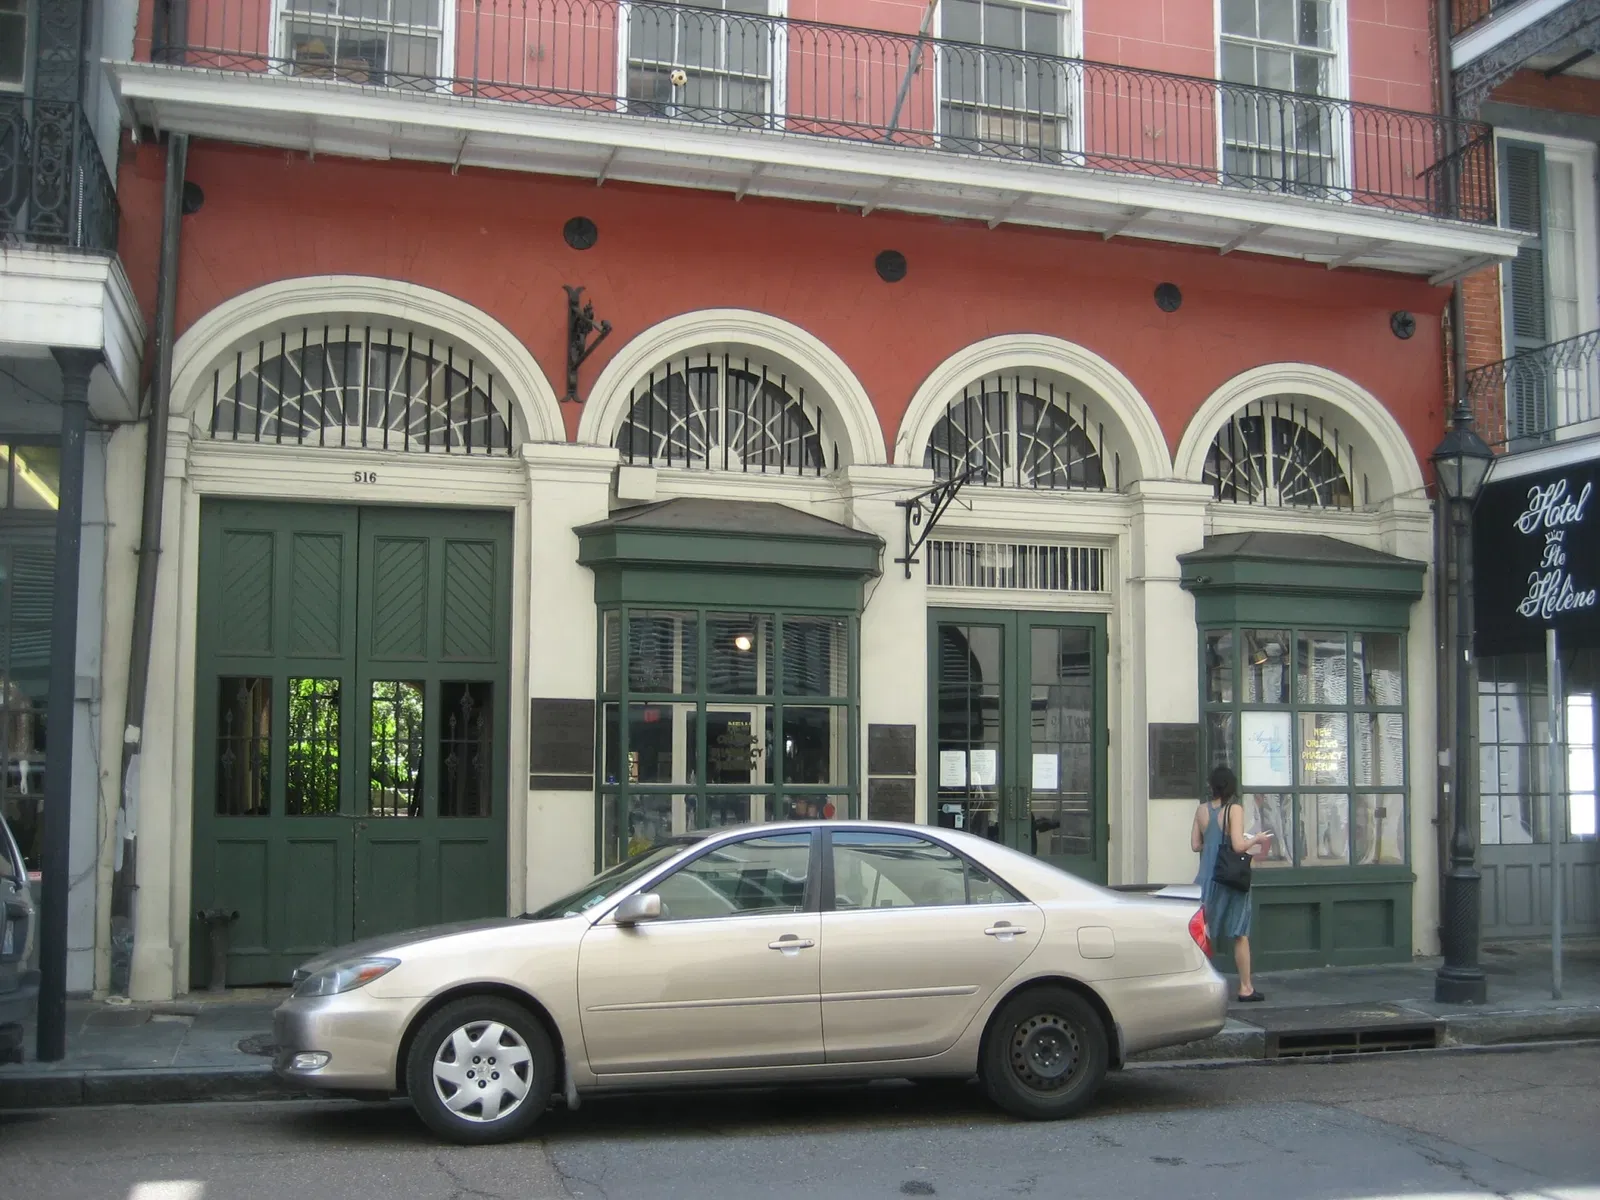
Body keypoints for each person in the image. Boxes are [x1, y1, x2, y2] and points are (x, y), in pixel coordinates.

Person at [1191, 765, 1272, 1002]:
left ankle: (1198, 988)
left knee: (1201, 934)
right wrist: (1256, 838)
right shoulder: (1234, 809)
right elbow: (1237, 845)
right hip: (1230, 879)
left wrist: (1214, 845)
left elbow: (1196, 845)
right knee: (1239, 933)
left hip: (1206, 878)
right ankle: (1245, 987)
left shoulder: (1201, 810)